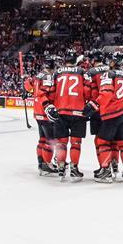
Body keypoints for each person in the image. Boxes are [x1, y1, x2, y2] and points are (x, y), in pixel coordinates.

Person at [93, 51, 123, 183]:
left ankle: (106, 171)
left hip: (111, 113)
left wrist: (95, 104)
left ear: (114, 62)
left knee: (102, 142)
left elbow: (106, 93)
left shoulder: (109, 74)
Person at [48, 50, 89, 182]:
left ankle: (61, 167)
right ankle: (74, 168)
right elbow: (88, 91)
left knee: (61, 143)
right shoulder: (82, 72)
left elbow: (51, 92)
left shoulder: (57, 72)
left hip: (61, 111)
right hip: (79, 112)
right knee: (76, 142)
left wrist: (52, 105)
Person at [27, 59, 58, 176]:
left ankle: (41, 163)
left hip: (37, 112)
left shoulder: (38, 75)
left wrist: (27, 91)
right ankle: (47, 163)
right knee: (50, 140)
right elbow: (43, 93)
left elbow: (28, 86)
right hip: (45, 112)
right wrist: (48, 105)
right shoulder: (47, 76)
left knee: (42, 139)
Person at [85, 51, 111, 175]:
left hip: (97, 108)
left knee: (99, 140)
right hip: (112, 109)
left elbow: (87, 91)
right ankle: (113, 165)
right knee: (113, 140)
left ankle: (104, 166)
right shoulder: (111, 69)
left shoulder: (91, 72)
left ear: (93, 60)